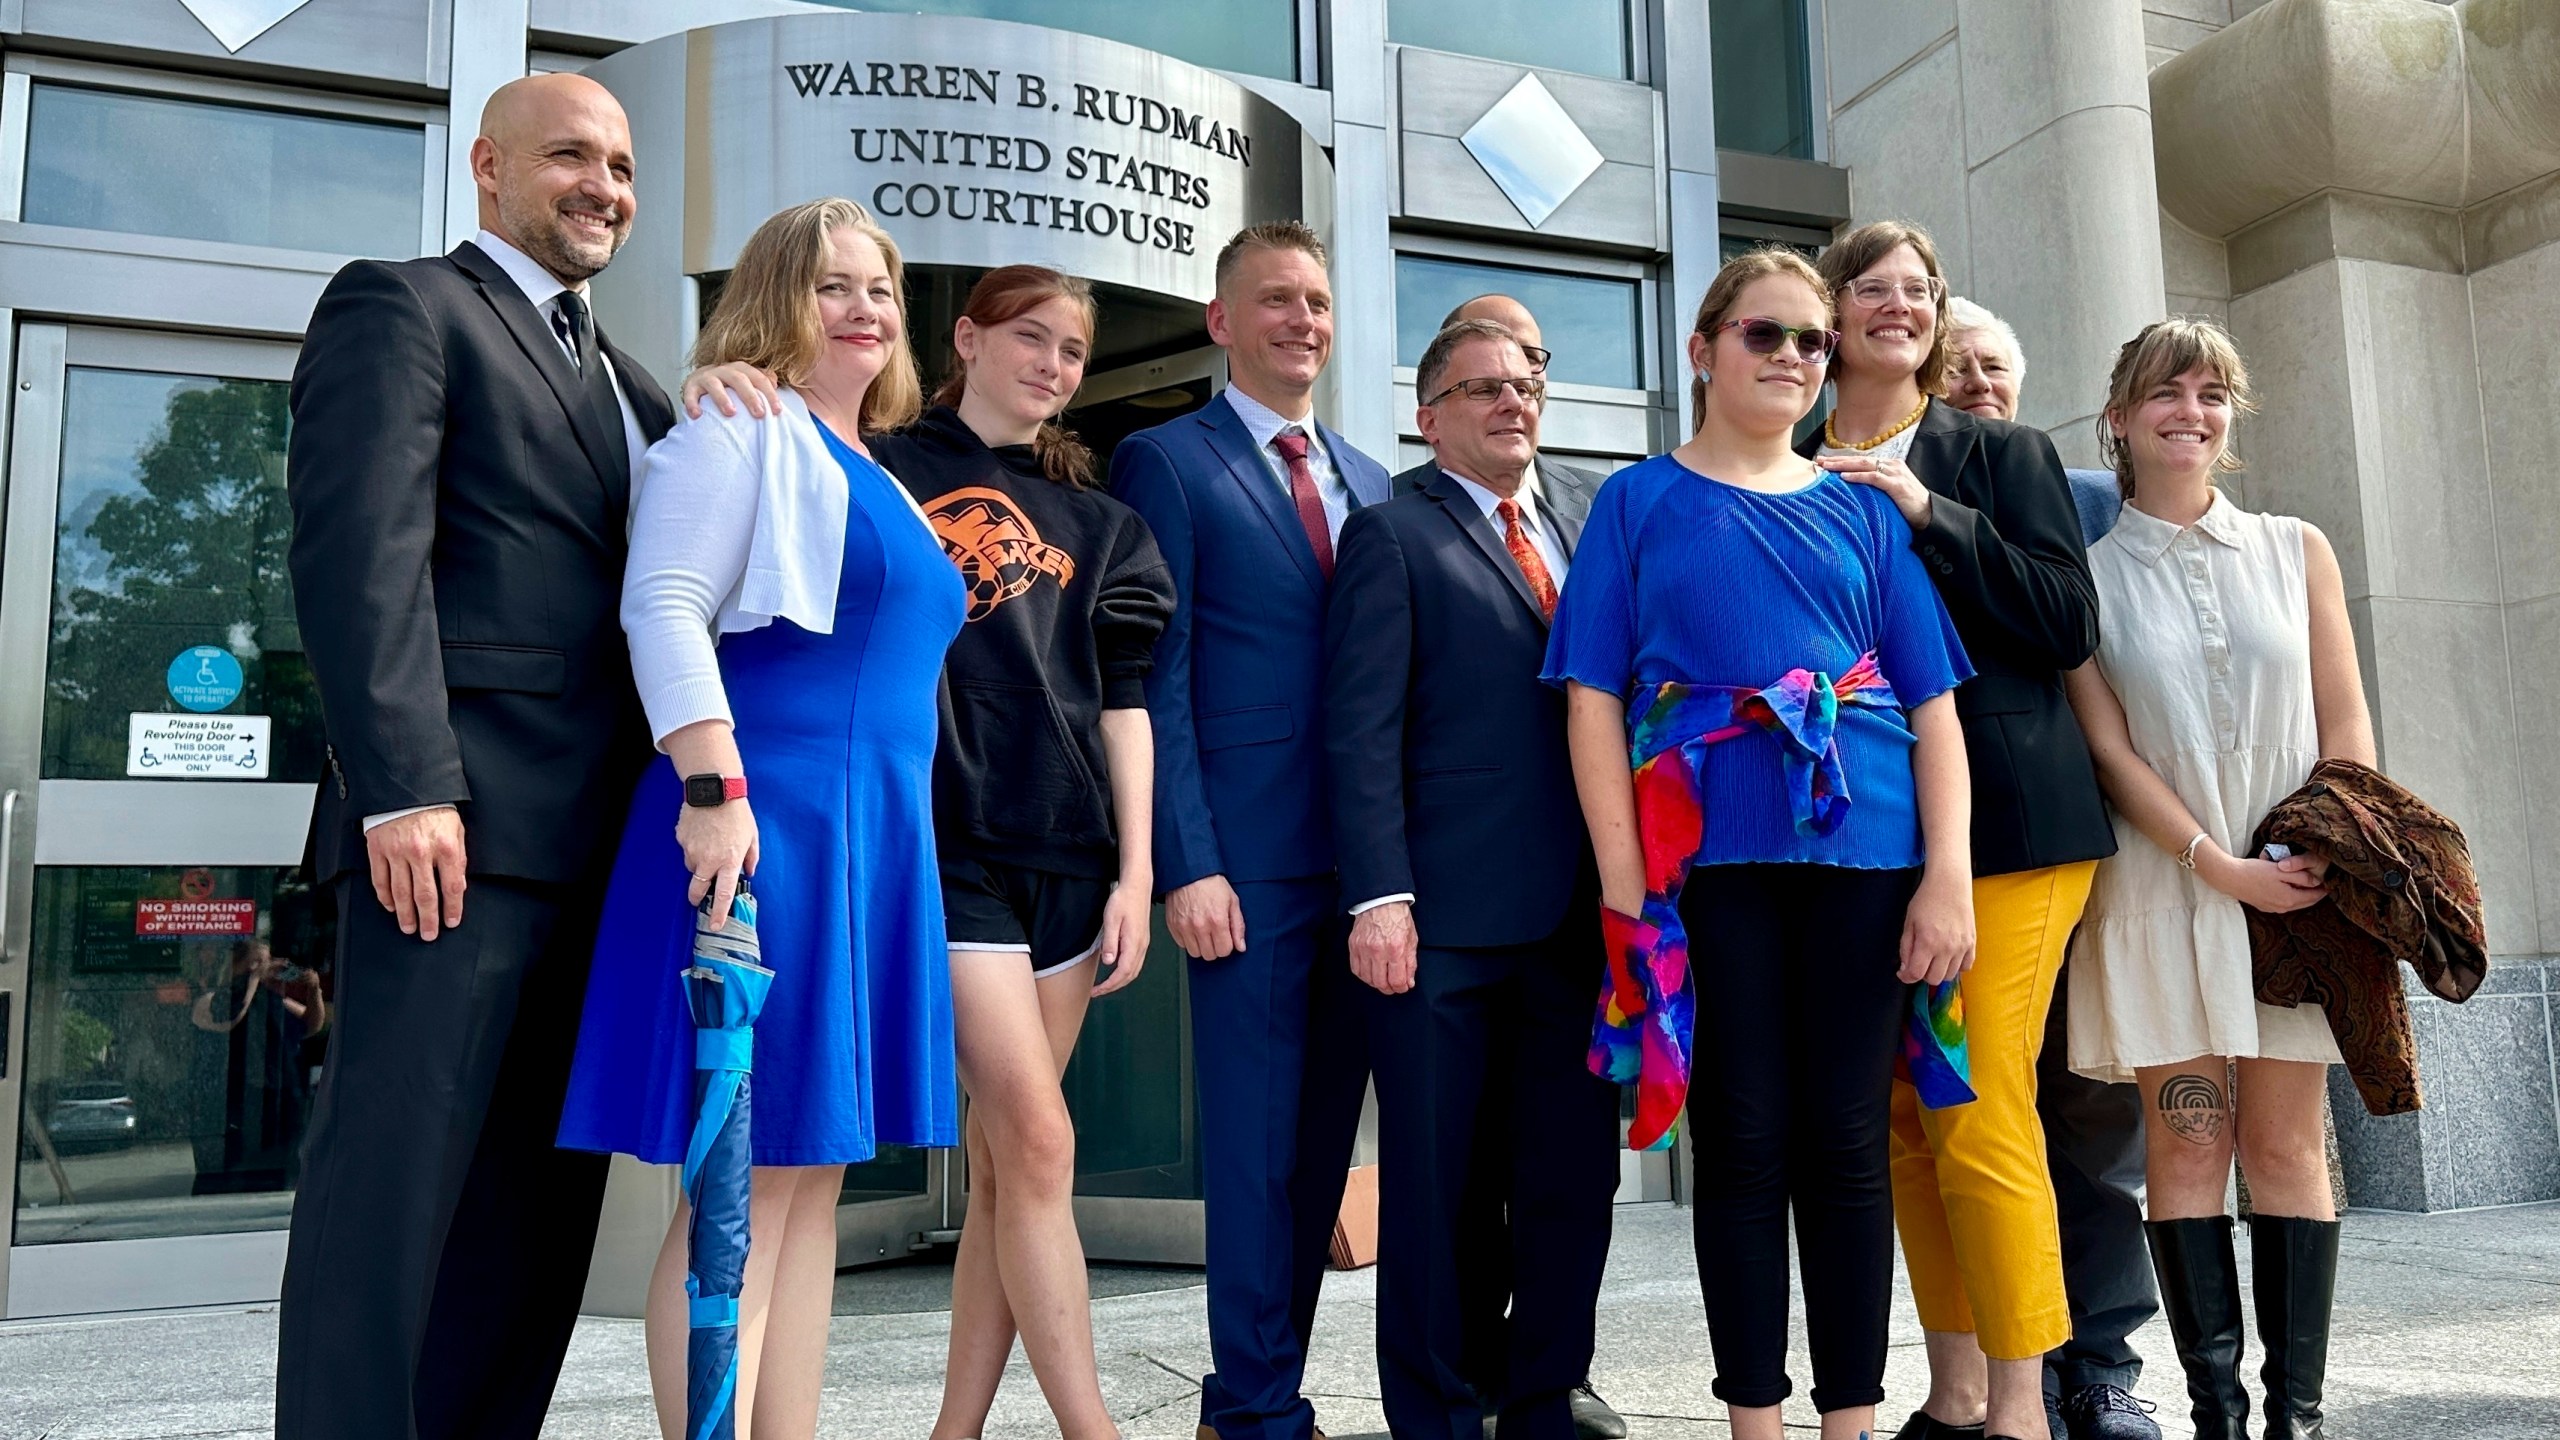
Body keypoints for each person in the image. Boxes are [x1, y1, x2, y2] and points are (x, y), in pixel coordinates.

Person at [277, 72, 676, 1440]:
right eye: (572, 155)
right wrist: (402, 788)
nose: (606, 187)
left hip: (602, 865)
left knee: (530, 1225)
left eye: (621, 165)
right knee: (386, 1210)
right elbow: (358, 561)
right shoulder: (405, 307)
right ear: (490, 170)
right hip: (448, 848)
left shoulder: (639, 386)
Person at [1545, 247, 1975, 1440]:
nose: (1792, 357)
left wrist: (1948, 878)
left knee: (1845, 1142)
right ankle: (1754, 1425)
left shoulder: (1861, 510)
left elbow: (1932, 704)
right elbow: (1589, 698)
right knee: (1738, 1140)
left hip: (1868, 858)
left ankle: (1849, 1423)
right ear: (1703, 350)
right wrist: (1625, 884)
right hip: (1703, 865)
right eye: (1764, 335)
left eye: (1809, 341)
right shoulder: (1635, 502)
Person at [555, 197, 965, 1440]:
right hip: (764, 817)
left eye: (882, 290)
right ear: (780, 303)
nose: (863, 310)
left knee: (808, 1176)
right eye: (832, 286)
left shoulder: (873, 468)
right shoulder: (737, 429)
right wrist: (712, 788)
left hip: (871, 836)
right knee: (737, 1179)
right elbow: (664, 605)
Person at [1805, 223, 2115, 1440]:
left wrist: (1930, 512)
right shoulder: (1785, 456)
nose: (1899, 307)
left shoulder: (1997, 454)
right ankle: (1955, 1389)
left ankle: (2024, 1409)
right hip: (1856, 836)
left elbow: (2061, 621)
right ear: (1828, 314)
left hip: (2012, 830)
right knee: (1900, 1119)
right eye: (1872, 289)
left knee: (1977, 1097)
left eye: (1917, 291)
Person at [871, 266, 1175, 1440]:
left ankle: (955, 1431)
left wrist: (1137, 874)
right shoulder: (885, 468)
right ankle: (1092, 1429)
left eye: (1072, 351)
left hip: (1071, 851)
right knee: (1041, 1138)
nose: (1052, 365)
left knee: (1010, 1167)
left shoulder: (1103, 526)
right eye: (1030, 338)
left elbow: (1126, 705)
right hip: (945, 840)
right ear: (967, 338)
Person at [1109, 220, 1392, 1440]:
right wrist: (1190, 861)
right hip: (1247, 866)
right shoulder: (1162, 462)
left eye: (1317, 302)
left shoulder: (1373, 480)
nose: (1302, 321)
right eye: (1274, 300)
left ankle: (1255, 1394)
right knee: (1253, 1149)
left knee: (1321, 1149)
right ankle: (1258, 1410)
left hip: (1368, 871)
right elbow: (1155, 677)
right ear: (1222, 322)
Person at [2062, 319, 2366, 1440]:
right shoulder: (2083, 578)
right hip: (2164, 891)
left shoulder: (2298, 547)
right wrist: (2214, 863)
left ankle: (2295, 1418)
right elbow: (2109, 752)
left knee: (2286, 1145)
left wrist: (2334, 841)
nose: (2189, 412)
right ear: (2122, 415)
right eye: (2165, 394)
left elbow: (2344, 714)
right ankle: (2218, 1418)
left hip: (2301, 890)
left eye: (2211, 394)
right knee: (2188, 1141)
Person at [1326, 317, 1623, 1440]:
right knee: (1439, 1185)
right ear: (1429, 412)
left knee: (1566, 1176)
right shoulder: (1392, 535)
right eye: (1480, 387)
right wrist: (1379, 896)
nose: (1511, 402)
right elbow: (1359, 731)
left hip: (1579, 917)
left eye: (1526, 383)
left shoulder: (1592, 521)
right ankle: (1438, 1409)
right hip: (1439, 920)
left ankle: (1545, 1396)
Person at [1944, 298, 2160, 1440]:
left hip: (2078, 843)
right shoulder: (1903, 491)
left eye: (1996, 366)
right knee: (1978, 1107)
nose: (1978, 382)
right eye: (1959, 365)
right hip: (1951, 850)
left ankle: (2103, 1364)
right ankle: (1994, 1364)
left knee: (2089, 1112)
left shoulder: (2085, 501)